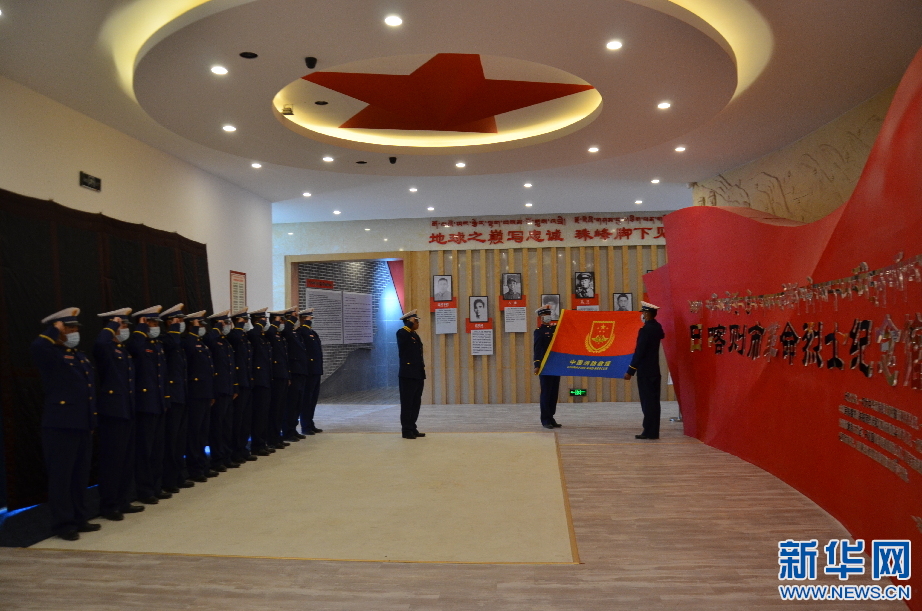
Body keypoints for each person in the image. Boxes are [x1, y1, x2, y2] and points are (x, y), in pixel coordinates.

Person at [30, 307, 101, 540]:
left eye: (75, 328)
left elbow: (88, 392)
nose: (73, 332)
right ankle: (63, 524)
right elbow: (38, 346)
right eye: (68, 328)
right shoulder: (51, 354)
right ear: (58, 330)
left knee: (79, 476)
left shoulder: (78, 355)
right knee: (61, 478)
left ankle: (80, 518)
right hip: (61, 426)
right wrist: (54, 330)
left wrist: (91, 420)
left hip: (82, 425)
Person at [94, 307, 144, 522]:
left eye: (123, 325)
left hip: (127, 409)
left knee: (126, 459)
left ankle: (123, 500)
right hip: (113, 412)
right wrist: (112, 324)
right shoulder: (106, 349)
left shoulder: (122, 350)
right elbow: (100, 343)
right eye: (121, 325)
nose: (124, 329)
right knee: (113, 461)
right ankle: (109, 504)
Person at [127, 305, 170, 505]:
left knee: (157, 449)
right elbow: (135, 348)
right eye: (151, 323)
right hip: (145, 404)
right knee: (145, 450)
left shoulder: (156, 344)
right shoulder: (138, 342)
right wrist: (140, 329)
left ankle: (156, 485)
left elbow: (162, 375)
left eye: (155, 323)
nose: (155, 327)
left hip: (158, 403)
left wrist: (165, 399)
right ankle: (145, 490)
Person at [160, 303, 193, 494]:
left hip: (182, 395)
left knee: (180, 440)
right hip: (171, 397)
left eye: (181, 320)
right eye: (177, 320)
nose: (180, 323)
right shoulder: (167, 340)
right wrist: (173, 329)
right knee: (171, 441)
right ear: (168, 323)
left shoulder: (178, 342)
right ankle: (169, 479)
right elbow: (171, 345)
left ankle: (179, 475)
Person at [182, 311, 217, 482]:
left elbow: (208, 371)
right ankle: (194, 468)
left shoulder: (201, 344)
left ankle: (203, 465)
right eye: (198, 324)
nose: (202, 327)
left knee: (203, 433)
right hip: (195, 395)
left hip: (205, 393)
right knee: (194, 434)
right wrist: (193, 329)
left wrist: (211, 393)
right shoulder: (188, 342)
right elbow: (189, 350)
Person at [624, 301, 665, 440]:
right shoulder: (657, 327)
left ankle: (648, 431)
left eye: (643, 313)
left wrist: (630, 370)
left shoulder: (645, 330)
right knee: (654, 401)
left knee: (647, 402)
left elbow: (639, 352)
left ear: (647, 314)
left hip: (645, 371)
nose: (642, 315)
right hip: (654, 370)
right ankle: (653, 431)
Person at [203, 310, 238, 471]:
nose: (228, 326)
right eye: (225, 323)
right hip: (218, 390)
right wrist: (217, 328)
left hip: (228, 389)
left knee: (227, 426)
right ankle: (217, 459)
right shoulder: (213, 340)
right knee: (217, 427)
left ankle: (226, 456)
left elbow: (231, 367)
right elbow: (208, 339)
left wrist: (234, 386)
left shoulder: (225, 342)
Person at [227, 308, 256, 463]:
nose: (246, 323)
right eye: (244, 320)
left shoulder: (244, 337)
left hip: (247, 381)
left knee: (246, 420)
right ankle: (235, 451)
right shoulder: (234, 335)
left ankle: (243, 448)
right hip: (239, 383)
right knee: (238, 420)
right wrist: (238, 326)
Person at [247, 308, 274, 456]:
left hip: (266, 379)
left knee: (264, 414)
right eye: (263, 320)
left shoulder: (263, 337)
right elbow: (253, 334)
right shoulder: (253, 335)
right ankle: (257, 444)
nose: (265, 322)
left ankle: (262, 442)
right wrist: (258, 325)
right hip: (258, 381)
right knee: (258, 415)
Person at [396, 309, 425, 439]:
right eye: (416, 321)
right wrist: (409, 324)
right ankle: (406, 430)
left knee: (415, 403)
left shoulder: (414, 335)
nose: (418, 323)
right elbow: (402, 334)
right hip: (407, 375)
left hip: (417, 374)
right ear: (409, 322)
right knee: (407, 403)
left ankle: (412, 427)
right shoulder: (402, 333)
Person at [282, 307, 309, 441]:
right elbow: (286, 331)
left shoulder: (296, 333)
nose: (296, 320)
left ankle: (293, 429)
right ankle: (287, 431)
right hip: (293, 372)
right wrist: (292, 319)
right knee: (291, 404)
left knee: (298, 403)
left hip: (301, 371)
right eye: (293, 317)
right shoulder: (287, 332)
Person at [532, 305, 561, 429]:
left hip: (555, 365)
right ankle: (545, 419)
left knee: (554, 393)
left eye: (549, 314)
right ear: (540, 318)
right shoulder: (539, 332)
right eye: (545, 315)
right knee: (546, 392)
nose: (548, 317)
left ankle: (551, 417)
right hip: (545, 366)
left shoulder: (555, 329)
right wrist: (537, 364)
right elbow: (537, 349)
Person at [266, 309, 291, 450]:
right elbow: (270, 331)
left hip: (283, 376)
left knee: (280, 409)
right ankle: (272, 438)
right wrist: (275, 321)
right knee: (275, 410)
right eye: (280, 320)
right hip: (275, 377)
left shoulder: (279, 336)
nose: (282, 323)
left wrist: (288, 376)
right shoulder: (271, 334)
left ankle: (277, 437)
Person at [297, 308, 324, 435]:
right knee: (307, 399)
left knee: (313, 399)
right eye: (309, 318)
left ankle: (310, 423)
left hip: (316, 370)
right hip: (309, 371)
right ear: (303, 319)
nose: (311, 321)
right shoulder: (301, 332)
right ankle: (305, 426)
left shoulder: (312, 332)